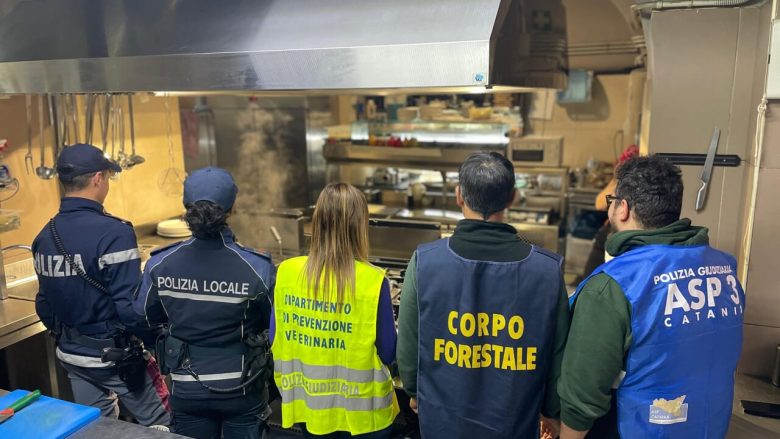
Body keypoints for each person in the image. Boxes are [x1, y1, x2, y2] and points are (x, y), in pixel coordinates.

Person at [559, 156, 746, 439]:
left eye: (613, 199)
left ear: (622, 209)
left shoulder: (615, 285)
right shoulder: (725, 269)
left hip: (639, 429)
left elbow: (583, 392)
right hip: (708, 426)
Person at [396, 151, 570, 439]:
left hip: (443, 422)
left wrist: (415, 392)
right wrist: (551, 410)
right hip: (515, 422)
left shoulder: (426, 261)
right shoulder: (547, 271)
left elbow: (409, 344)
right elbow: (559, 355)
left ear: (458, 195)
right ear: (512, 197)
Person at [33, 143, 170, 428]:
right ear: (98, 178)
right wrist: (158, 340)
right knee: (164, 422)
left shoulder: (45, 236)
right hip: (115, 358)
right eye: (107, 177)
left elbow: (44, 304)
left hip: (72, 356)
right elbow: (131, 308)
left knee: (98, 428)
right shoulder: (114, 233)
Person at [134, 167, 275, 439]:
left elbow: (142, 318)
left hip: (186, 387)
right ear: (231, 210)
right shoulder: (257, 267)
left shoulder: (161, 263)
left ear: (186, 208)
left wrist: (167, 342)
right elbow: (273, 323)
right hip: (243, 386)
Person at [271, 182, 399, 439]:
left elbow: (275, 337)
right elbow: (388, 352)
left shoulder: (286, 272)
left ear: (317, 222)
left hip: (310, 410)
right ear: (360, 226)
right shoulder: (373, 281)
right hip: (365, 420)